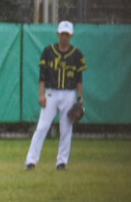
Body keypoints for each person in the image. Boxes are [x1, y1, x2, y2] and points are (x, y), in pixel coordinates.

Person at [25, 20, 86, 171]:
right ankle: (31, 161)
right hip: (51, 93)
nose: (64, 37)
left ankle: (61, 162)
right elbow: (42, 75)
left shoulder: (77, 54)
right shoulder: (49, 51)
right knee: (42, 127)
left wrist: (80, 98)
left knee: (66, 129)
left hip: (68, 94)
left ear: (71, 35)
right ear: (58, 34)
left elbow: (79, 78)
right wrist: (41, 94)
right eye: (62, 34)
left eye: (67, 34)